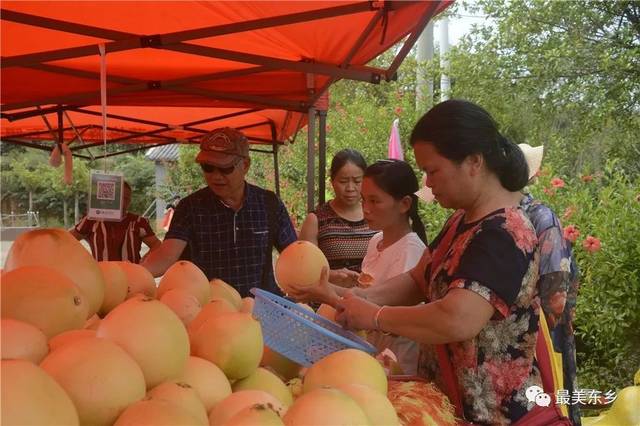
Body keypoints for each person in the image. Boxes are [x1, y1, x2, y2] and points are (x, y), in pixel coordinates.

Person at [292, 100, 556, 424]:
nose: (427, 183)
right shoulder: (460, 221)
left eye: (433, 171)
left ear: (474, 161)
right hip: (449, 405)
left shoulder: (505, 232)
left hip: (495, 414)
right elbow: (418, 280)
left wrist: (376, 316)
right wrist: (352, 297)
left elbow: (457, 318)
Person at [141, 127, 297, 297]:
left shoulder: (269, 204)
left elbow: (295, 256)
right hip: (209, 311)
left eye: (225, 168)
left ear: (245, 165)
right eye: (208, 167)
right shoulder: (190, 207)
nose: (215, 176)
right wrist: (133, 274)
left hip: (260, 311)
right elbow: (166, 256)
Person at [517, 143, 581, 425]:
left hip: (543, 330)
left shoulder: (541, 217)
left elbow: (555, 290)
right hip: (528, 331)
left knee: (551, 404)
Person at [358, 159, 428, 375]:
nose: (366, 209)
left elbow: (396, 319)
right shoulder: (375, 241)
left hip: (395, 364)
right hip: (370, 356)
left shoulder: (412, 251)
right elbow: (372, 290)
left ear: (404, 204)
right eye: (363, 200)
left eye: (374, 201)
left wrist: (333, 295)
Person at [299, 149, 376, 285]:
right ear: (332, 181)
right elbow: (303, 270)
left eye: (358, 181)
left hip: (371, 301)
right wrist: (331, 276)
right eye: (343, 181)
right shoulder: (316, 220)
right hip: (327, 302)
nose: (350, 188)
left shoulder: (377, 214)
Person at [70, 181, 161, 263]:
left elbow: (156, 245)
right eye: (119, 197)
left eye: (127, 198)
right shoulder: (92, 220)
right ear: (109, 198)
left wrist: (143, 262)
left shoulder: (138, 222)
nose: (123, 202)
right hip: (103, 276)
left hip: (132, 276)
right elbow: (67, 239)